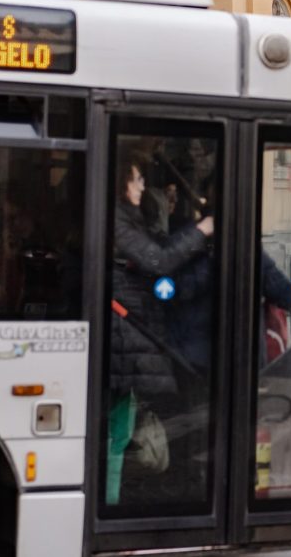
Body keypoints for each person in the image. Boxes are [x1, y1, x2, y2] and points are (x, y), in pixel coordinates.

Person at [107, 156, 214, 506]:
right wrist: (202, 230)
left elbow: (160, 249)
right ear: (122, 184)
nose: (142, 186)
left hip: (130, 339)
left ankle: (109, 500)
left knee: (120, 430)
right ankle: (108, 503)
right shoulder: (116, 221)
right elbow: (159, 261)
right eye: (137, 179)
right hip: (125, 340)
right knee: (117, 434)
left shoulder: (130, 220)